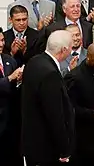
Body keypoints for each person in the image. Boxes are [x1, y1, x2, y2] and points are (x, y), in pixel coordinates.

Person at [21, 30, 75, 166]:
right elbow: (55, 115)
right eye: (71, 46)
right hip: (47, 148)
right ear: (64, 50)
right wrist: (64, 149)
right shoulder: (50, 74)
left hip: (32, 143)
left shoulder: (34, 61)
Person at [0, 31, 24, 166]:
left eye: (3, 40)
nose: (1, 44)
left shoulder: (9, 60)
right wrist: (9, 78)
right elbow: (9, 80)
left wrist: (19, 80)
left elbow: (15, 87)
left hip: (11, 120)